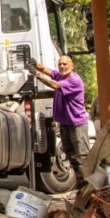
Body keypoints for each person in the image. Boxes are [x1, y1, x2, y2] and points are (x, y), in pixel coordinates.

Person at [32, 54, 90, 184]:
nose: (62, 66)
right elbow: (48, 71)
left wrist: (36, 74)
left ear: (72, 66)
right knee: (72, 158)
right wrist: (36, 64)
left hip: (77, 125)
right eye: (60, 64)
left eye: (65, 64)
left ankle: (90, 189)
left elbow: (55, 85)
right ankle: (81, 187)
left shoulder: (74, 80)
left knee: (82, 159)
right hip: (65, 124)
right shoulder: (60, 75)